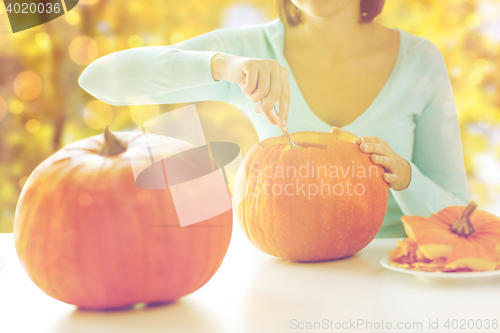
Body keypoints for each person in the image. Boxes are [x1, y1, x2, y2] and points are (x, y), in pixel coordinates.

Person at [79, 0, 469, 237]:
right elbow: (98, 79)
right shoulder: (250, 50)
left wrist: (405, 176)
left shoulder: (419, 61)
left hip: (398, 271)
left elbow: (461, 218)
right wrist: (224, 65)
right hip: (287, 276)